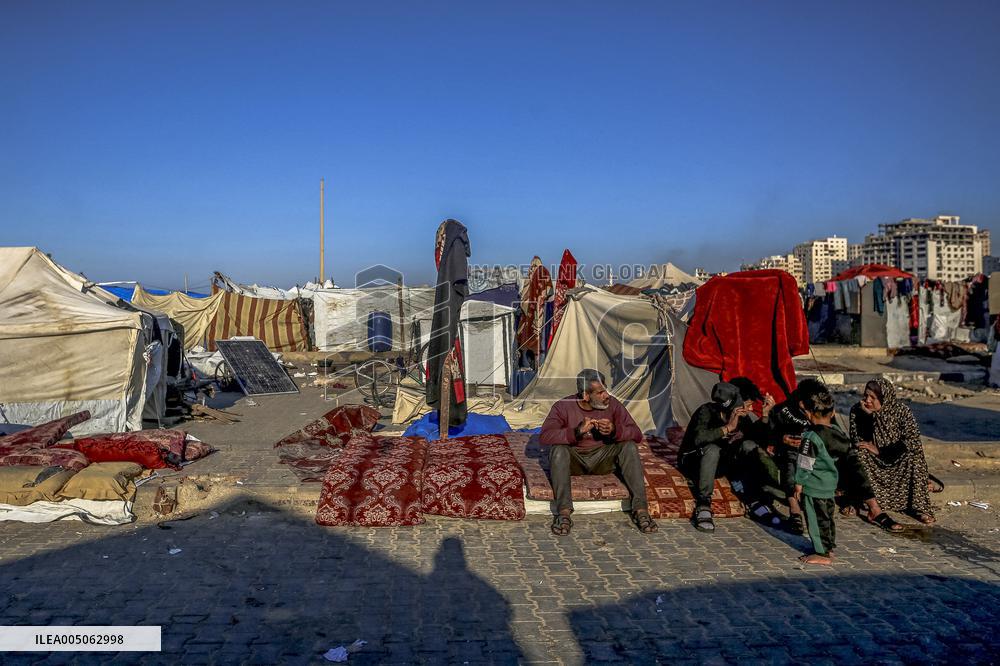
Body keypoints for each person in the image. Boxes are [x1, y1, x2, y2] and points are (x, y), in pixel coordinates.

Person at [769, 379, 903, 534]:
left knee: (852, 460)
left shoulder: (820, 407)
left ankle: (874, 509)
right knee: (790, 462)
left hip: (820, 452)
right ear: (802, 404)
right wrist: (783, 439)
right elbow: (770, 438)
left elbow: (835, 433)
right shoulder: (782, 411)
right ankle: (795, 510)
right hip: (793, 453)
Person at [539, 369, 657, 536]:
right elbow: (545, 436)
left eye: (605, 390)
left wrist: (615, 430)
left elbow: (636, 434)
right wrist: (576, 432)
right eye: (600, 392)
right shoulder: (563, 406)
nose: (606, 395)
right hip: (575, 460)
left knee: (629, 446)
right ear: (586, 395)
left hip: (603, 458)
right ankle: (564, 513)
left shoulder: (613, 405)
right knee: (558, 450)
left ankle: (641, 510)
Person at [678, 381, 777, 533]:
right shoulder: (706, 411)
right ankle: (704, 503)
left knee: (749, 445)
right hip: (694, 462)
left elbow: (757, 439)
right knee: (713, 449)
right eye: (747, 405)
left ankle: (753, 499)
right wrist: (728, 428)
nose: (750, 409)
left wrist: (765, 416)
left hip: (722, 463)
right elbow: (699, 438)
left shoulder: (743, 418)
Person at [850, 378, 935, 525]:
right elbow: (858, 440)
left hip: (896, 459)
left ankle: (919, 508)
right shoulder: (857, 411)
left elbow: (912, 441)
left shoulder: (902, 412)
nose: (867, 400)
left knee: (912, 456)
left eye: (873, 398)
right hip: (874, 462)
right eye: (866, 395)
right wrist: (870, 418)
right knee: (859, 454)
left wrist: (881, 450)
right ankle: (866, 504)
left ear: (884, 398)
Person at [794, 388, 840, 566]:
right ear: (833, 412)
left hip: (814, 487)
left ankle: (822, 553)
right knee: (827, 519)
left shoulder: (811, 437)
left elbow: (805, 463)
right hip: (829, 485)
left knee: (815, 520)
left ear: (808, 414)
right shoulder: (836, 431)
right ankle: (828, 547)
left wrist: (799, 483)